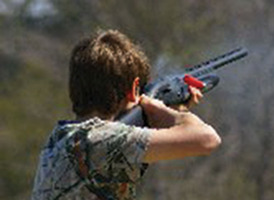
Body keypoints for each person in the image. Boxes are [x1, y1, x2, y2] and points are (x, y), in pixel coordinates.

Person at [31, 29, 221, 200]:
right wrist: (159, 109)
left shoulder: (62, 137)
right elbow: (207, 139)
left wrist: (178, 111)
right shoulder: (98, 140)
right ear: (133, 89)